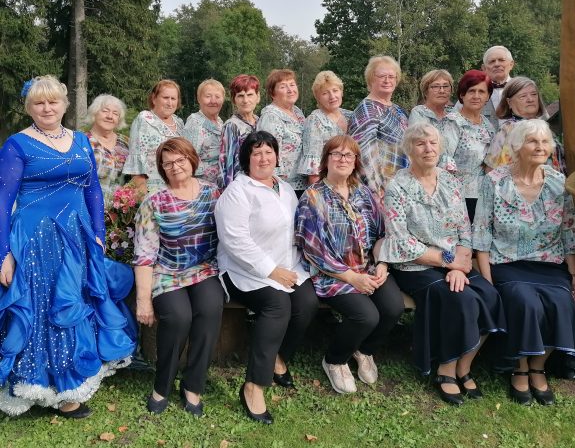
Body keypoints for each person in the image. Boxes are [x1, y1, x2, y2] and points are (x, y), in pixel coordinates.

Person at [0, 76, 135, 418]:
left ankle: (68, 387)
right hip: (36, 240)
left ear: (64, 104)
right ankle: (33, 385)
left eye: (53, 102)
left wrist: (98, 234)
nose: (47, 108)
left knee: (71, 303)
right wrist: (3, 254)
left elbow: (92, 190)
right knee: (41, 307)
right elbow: (3, 201)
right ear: (29, 107)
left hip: (77, 236)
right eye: (39, 103)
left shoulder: (80, 140)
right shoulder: (17, 145)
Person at [377, 123, 505, 405]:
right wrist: (450, 263)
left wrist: (460, 262)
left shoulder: (450, 181)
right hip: (415, 265)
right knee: (460, 299)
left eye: (433, 143)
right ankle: (445, 370)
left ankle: (464, 366)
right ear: (410, 150)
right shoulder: (397, 186)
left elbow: (464, 229)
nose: (428, 149)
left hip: (455, 261)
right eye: (420, 144)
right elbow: (401, 241)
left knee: (490, 295)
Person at [473, 119, 575, 406]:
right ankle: (519, 368)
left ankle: (538, 368)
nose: (540, 147)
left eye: (544, 142)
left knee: (559, 302)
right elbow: (482, 233)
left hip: (549, 264)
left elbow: (568, 231)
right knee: (526, 302)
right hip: (507, 263)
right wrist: (488, 281)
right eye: (532, 141)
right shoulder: (495, 181)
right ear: (517, 146)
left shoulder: (558, 183)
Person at [215, 131, 318, 424]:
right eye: (256, 152)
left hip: (287, 267)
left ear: (276, 156)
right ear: (246, 158)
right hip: (244, 271)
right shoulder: (238, 192)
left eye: (269, 152)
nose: (264, 158)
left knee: (306, 304)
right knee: (277, 306)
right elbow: (235, 241)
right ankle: (254, 386)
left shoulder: (284, 188)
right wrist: (271, 270)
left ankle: (277, 356)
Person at [296, 135, 404, 394]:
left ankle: (364, 350)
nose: (343, 159)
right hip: (332, 274)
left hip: (368, 268)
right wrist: (352, 277)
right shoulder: (313, 197)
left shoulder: (364, 193)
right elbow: (313, 250)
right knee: (366, 316)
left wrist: (382, 264)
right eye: (336, 154)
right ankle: (335, 360)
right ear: (326, 160)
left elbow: (381, 234)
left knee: (393, 307)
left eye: (349, 155)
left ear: (356, 161)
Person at [134, 137, 223, 416]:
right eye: (167, 163)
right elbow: (144, 255)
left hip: (204, 269)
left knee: (210, 309)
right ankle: (162, 385)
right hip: (167, 272)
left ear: (192, 159)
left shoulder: (213, 193)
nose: (175, 166)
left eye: (180, 160)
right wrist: (143, 300)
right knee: (177, 317)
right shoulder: (154, 201)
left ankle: (193, 385)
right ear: (161, 168)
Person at [348, 55, 409, 203]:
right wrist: (377, 190)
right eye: (381, 76)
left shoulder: (398, 110)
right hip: (379, 192)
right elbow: (363, 154)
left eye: (391, 76)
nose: (387, 80)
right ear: (371, 79)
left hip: (401, 186)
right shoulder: (367, 109)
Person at [485, 77, 566, 174]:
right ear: (509, 102)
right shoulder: (507, 130)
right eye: (523, 96)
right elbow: (490, 170)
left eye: (534, 94)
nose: (530, 99)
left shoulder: (544, 126)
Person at [445, 71, 495, 222]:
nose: (476, 96)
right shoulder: (452, 122)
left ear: (488, 96)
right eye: (471, 91)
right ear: (462, 95)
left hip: (484, 195)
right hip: (457, 197)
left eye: (481, 91)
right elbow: (443, 161)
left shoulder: (488, 125)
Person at [124, 79, 184, 195]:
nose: (170, 103)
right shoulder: (144, 120)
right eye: (165, 98)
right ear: (154, 98)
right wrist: (143, 197)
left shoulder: (179, 123)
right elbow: (137, 165)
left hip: (178, 190)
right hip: (153, 191)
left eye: (173, 99)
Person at [257, 69, 307, 197]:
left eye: (292, 85)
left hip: (302, 184)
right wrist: (275, 189)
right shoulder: (271, 117)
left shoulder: (297, 112)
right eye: (283, 87)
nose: (290, 90)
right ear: (273, 93)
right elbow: (268, 154)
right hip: (283, 186)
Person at [299, 71, 352, 185]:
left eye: (335, 90)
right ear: (318, 98)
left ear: (341, 92)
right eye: (325, 93)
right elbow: (313, 170)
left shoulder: (351, 116)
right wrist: (319, 193)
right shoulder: (314, 120)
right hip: (327, 184)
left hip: (351, 183)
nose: (332, 96)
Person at [219, 74, 261, 188]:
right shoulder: (232, 125)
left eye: (250, 95)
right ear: (234, 99)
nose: (245, 100)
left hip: (260, 183)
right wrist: (229, 190)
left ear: (258, 97)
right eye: (240, 96)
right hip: (241, 186)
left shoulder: (261, 121)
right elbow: (226, 164)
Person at [85, 94, 129, 202]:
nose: (110, 116)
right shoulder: (82, 141)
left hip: (120, 208)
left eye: (115, 113)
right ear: (94, 113)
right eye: (105, 111)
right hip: (89, 204)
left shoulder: (127, 143)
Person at [183, 79, 225, 185]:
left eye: (217, 97)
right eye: (208, 96)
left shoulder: (220, 122)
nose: (213, 101)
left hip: (221, 183)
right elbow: (188, 158)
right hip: (202, 184)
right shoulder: (194, 122)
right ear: (199, 99)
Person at [481, 45, 514, 130]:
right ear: (484, 68)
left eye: (501, 60)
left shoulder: (523, 89)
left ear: (511, 64)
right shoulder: (473, 91)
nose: (497, 64)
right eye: (492, 61)